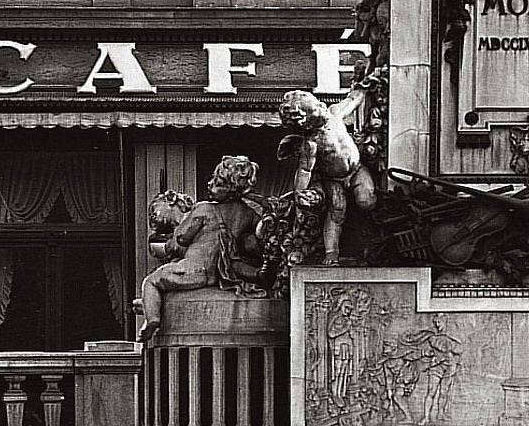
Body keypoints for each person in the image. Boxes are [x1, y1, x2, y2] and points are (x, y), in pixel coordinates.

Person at [136, 155, 265, 342]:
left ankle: (152, 320)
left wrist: (175, 237)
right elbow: (257, 237)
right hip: (215, 274)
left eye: (216, 182)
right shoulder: (249, 214)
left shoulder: (204, 208)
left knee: (151, 281)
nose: (209, 184)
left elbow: (182, 237)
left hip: (194, 269)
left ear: (229, 188)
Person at [276, 88, 379, 265]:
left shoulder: (334, 113)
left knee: (366, 201)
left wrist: (364, 86)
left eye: (319, 106)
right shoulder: (311, 143)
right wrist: (299, 193)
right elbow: (305, 170)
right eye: (316, 111)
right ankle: (331, 254)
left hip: (357, 170)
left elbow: (352, 100)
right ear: (307, 123)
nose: (322, 110)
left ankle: (370, 235)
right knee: (336, 212)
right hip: (333, 180)